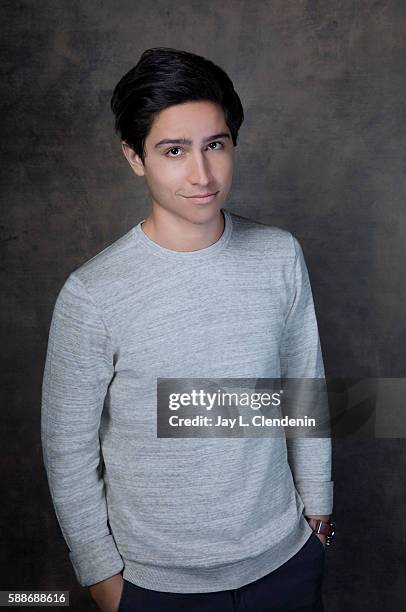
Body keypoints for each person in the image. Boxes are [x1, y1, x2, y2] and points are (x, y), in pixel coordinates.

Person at [41, 47, 334, 612]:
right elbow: (68, 450)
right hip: (155, 587)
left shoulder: (278, 255)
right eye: (173, 150)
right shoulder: (92, 294)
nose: (202, 175)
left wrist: (319, 513)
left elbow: (304, 389)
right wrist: (102, 578)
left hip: (285, 563)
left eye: (215, 146)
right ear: (134, 157)